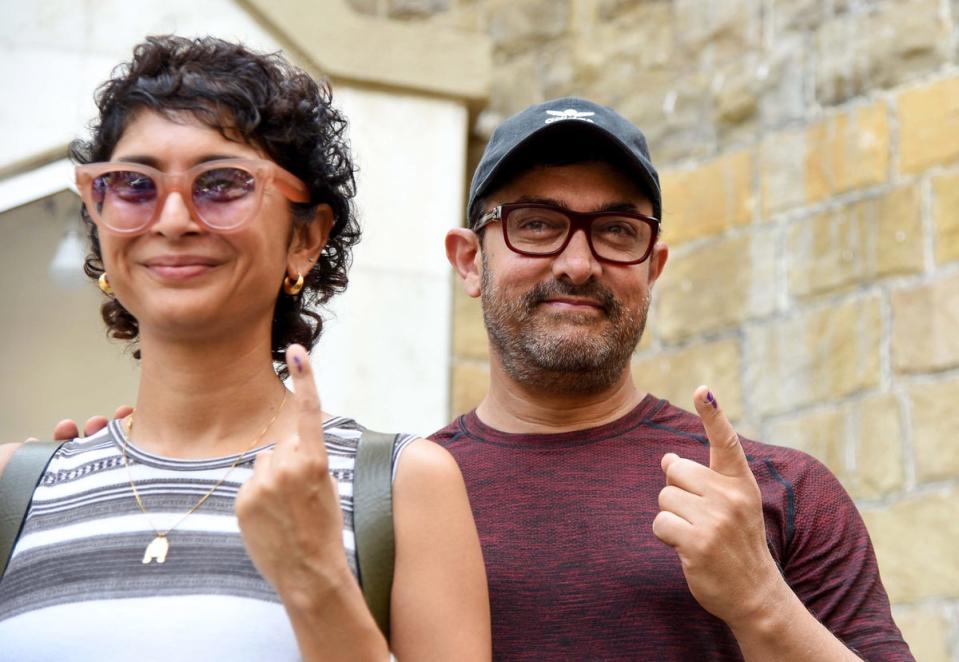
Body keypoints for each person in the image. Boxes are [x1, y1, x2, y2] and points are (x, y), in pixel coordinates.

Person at [0, 35, 490, 661]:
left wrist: (317, 579)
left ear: (306, 238)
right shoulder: (21, 487)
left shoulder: (403, 490)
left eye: (222, 184)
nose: (173, 219)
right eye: (132, 184)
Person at [437, 97, 914, 660]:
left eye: (617, 230)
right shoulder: (403, 494)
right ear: (469, 260)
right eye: (536, 224)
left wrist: (761, 600)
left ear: (653, 268)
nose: (578, 263)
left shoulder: (780, 491)